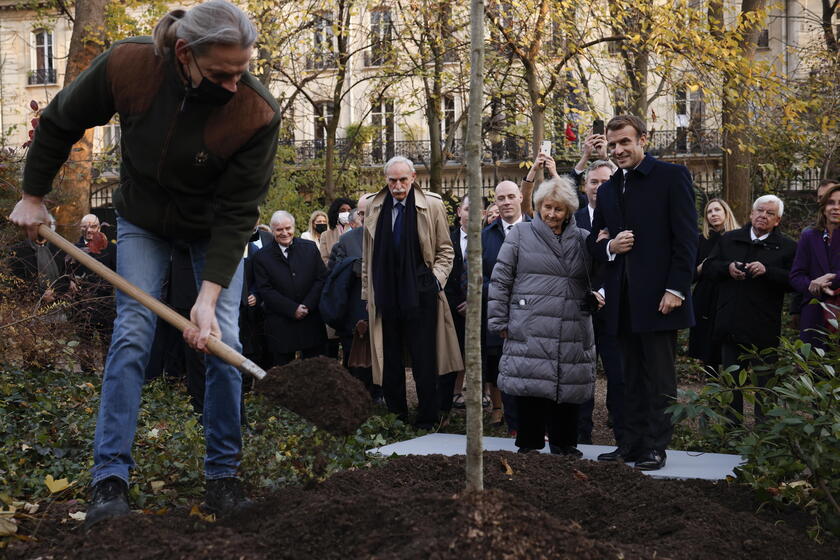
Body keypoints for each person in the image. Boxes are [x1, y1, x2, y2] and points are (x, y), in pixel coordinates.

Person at [7, 0, 281, 526]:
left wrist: (206, 299)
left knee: (224, 338)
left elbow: (239, 213)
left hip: (211, 231)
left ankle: (224, 476)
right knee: (133, 330)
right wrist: (34, 194)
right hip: (143, 221)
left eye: (242, 71)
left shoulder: (255, 111)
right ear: (184, 53)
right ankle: (109, 481)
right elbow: (60, 120)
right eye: (222, 73)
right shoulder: (127, 66)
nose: (233, 84)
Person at [588, 115, 698, 471]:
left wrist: (676, 289)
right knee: (626, 377)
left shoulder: (671, 177)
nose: (618, 150)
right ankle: (630, 444)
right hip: (621, 301)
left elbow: (686, 239)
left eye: (624, 142)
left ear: (643, 140)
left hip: (660, 298)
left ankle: (655, 447)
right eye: (612, 144)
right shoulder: (606, 189)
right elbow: (595, 243)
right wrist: (610, 248)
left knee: (658, 378)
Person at [488, 175, 601, 456]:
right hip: (530, 323)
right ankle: (529, 445)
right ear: (538, 206)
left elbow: (600, 278)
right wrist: (499, 320)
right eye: (547, 207)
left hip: (571, 325)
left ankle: (565, 444)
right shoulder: (520, 234)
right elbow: (501, 280)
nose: (552, 213)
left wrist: (599, 296)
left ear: (569, 211)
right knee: (530, 387)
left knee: (568, 389)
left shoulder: (583, 239)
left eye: (558, 208)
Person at [361, 156, 462, 430]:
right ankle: (397, 416)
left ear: (414, 177)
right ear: (386, 180)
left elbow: (446, 250)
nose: (397, 186)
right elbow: (367, 255)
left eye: (403, 180)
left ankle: (428, 417)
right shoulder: (374, 205)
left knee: (424, 358)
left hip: (421, 292)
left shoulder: (432, 204)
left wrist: (435, 281)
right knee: (390, 358)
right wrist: (367, 295)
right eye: (392, 180)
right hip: (385, 292)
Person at [703, 195, 796, 422]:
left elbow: (794, 281)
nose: (763, 216)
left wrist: (768, 271)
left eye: (770, 213)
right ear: (751, 214)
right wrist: (729, 268)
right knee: (732, 383)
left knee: (765, 385)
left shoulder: (787, 247)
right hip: (730, 322)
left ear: (778, 220)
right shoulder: (730, 239)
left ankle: (765, 435)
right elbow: (709, 268)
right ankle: (732, 432)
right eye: (760, 211)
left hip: (763, 326)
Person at [573, 159, 625, 447]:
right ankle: (581, 436)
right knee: (581, 376)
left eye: (605, 182)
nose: (599, 187)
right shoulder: (573, 218)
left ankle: (622, 436)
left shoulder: (625, 218)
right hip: (579, 309)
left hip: (615, 308)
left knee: (618, 375)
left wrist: (605, 292)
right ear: (585, 185)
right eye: (594, 182)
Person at [483, 180, 531, 430]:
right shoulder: (486, 236)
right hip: (501, 316)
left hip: (534, 316)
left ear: (521, 197)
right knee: (507, 371)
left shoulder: (538, 230)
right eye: (501, 198)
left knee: (533, 371)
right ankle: (514, 426)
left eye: (511, 196)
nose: (506, 202)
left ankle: (535, 425)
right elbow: (475, 276)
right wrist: (500, 293)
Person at [253, 211, 327, 366]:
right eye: (279, 230)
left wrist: (307, 305)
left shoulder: (310, 248)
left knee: (315, 371)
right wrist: (292, 309)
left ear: (294, 227)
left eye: (288, 228)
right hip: (280, 323)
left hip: (310, 319)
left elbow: (320, 279)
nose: (285, 233)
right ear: (272, 231)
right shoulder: (262, 257)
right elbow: (265, 290)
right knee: (284, 373)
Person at [688, 199, 739, 376]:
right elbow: (690, 275)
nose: (713, 214)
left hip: (730, 295)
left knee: (729, 346)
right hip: (706, 296)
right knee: (707, 348)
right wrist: (702, 267)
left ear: (726, 213)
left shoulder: (738, 237)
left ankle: (732, 390)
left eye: (717, 210)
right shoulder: (700, 240)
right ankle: (712, 393)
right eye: (709, 212)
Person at [790, 183, 840, 349]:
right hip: (814, 313)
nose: (836, 208)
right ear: (824, 207)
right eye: (831, 202)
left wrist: (831, 280)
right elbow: (796, 275)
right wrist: (812, 284)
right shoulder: (809, 236)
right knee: (813, 370)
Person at [444, 195, 470, 410]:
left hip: (482, 305)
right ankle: (455, 391)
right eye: (467, 209)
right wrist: (457, 304)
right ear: (460, 211)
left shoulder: (489, 239)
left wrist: (475, 302)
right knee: (457, 348)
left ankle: (484, 393)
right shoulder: (448, 239)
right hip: (455, 306)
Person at [319, 197, 355, 265]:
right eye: (343, 210)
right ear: (336, 212)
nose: (346, 213)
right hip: (334, 271)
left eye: (349, 210)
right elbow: (324, 259)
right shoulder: (325, 235)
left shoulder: (356, 231)